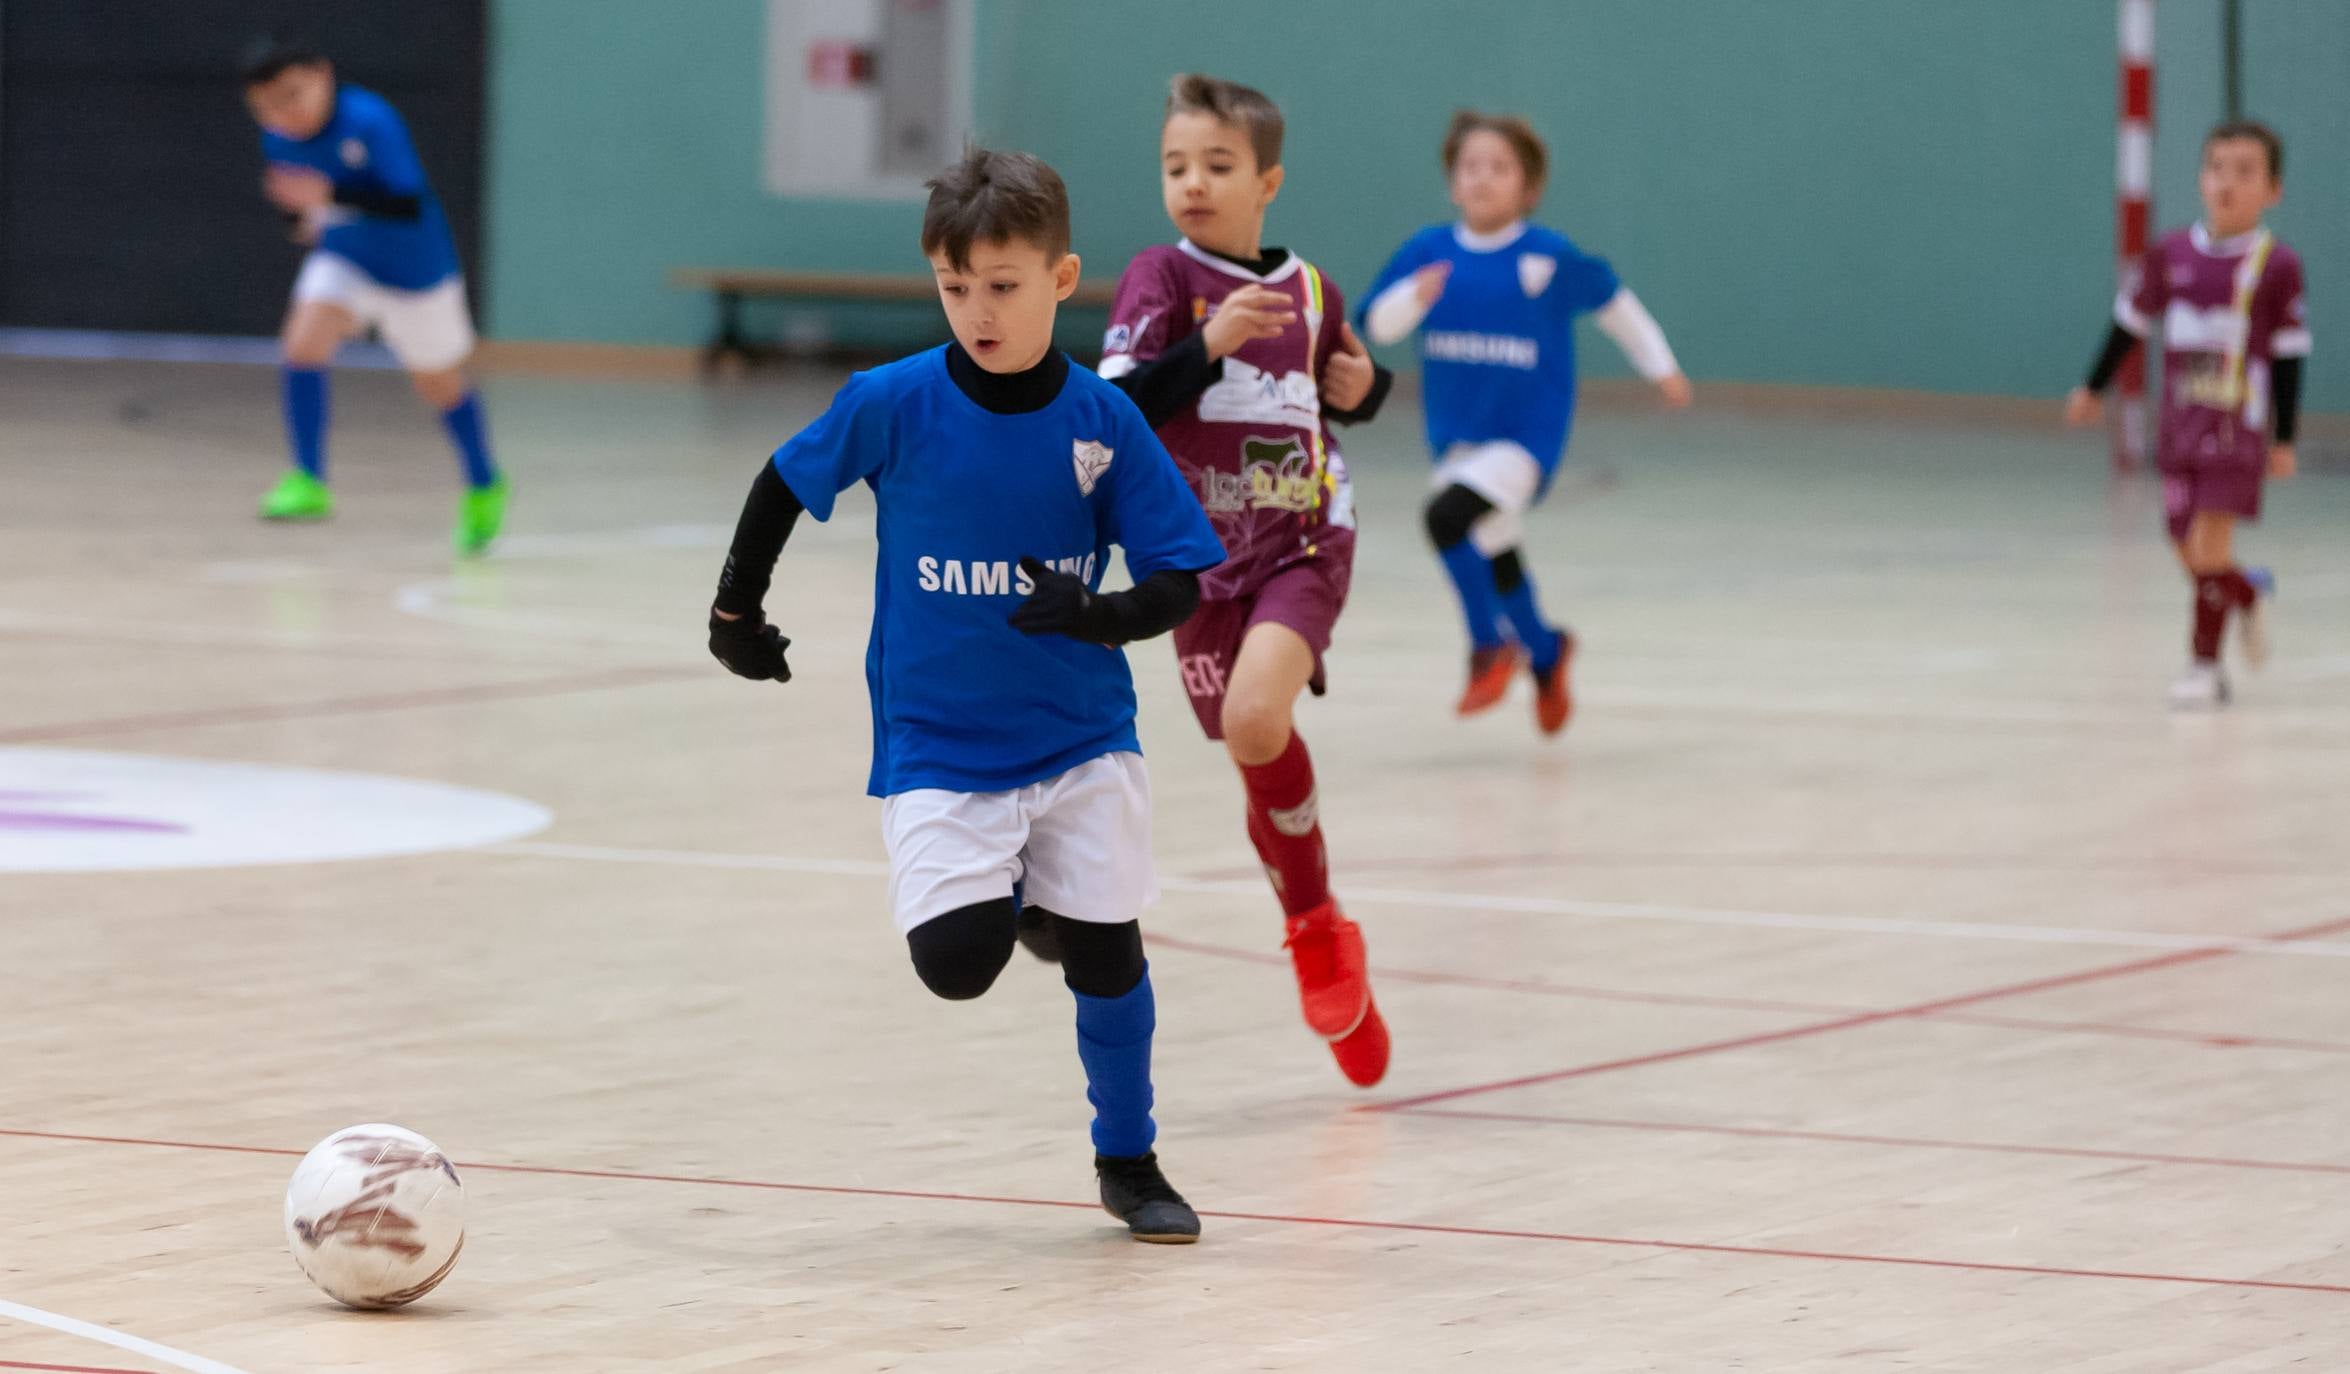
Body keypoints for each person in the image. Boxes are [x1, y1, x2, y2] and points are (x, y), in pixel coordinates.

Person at [706, 147, 1225, 1241]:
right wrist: (733, 616)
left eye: (1002, 286)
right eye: (955, 288)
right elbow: (780, 485)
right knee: (954, 968)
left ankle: (1128, 1162)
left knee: (1108, 954)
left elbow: (1180, 572)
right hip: (939, 739)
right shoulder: (890, 402)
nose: (977, 311)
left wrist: (1103, 616)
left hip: (1082, 732)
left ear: (1060, 276)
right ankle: (1027, 903)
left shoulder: (1101, 420)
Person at [1096, 74, 1394, 1088]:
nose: (1192, 183)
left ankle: (1315, 930)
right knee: (1246, 744)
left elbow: (1332, 394)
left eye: (1217, 166)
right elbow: (1119, 407)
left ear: (1266, 181)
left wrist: (1369, 389)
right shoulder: (1159, 280)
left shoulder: (1314, 292)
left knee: (1258, 721)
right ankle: (1311, 912)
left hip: (1304, 538)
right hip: (1200, 562)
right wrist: (1202, 347)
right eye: (1175, 165)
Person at [1361, 111, 1690, 731]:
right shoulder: (1429, 253)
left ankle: (1489, 645)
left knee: (1445, 518)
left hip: (1525, 440)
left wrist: (1661, 367)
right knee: (1496, 549)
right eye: (1470, 167)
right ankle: (1546, 652)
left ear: (1528, 188)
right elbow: (1376, 324)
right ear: (1453, 182)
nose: (1482, 178)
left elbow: (1617, 306)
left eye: (1499, 167)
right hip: (1456, 440)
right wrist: (1413, 298)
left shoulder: (1546, 258)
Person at [2067, 120, 2308, 709]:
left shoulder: (2276, 267)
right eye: (2217, 168)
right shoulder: (2169, 254)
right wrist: (2092, 387)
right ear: (2201, 179)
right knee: (2187, 549)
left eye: (2245, 172)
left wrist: (2284, 438)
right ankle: (2246, 595)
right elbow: (2130, 324)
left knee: (2208, 544)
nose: (2228, 182)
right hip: (2179, 427)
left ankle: (2203, 668)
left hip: (2236, 431)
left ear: (2272, 190)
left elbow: (2289, 355)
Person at [241, 37, 506, 554]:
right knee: (302, 344)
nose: (282, 113)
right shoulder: (277, 137)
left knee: (438, 383)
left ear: (323, 73)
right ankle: (309, 479)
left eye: (291, 96)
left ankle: (483, 482)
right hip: (346, 258)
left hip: (416, 272)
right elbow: (301, 208)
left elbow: (406, 201)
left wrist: (329, 196)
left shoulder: (371, 120)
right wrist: (296, 215)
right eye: (266, 106)